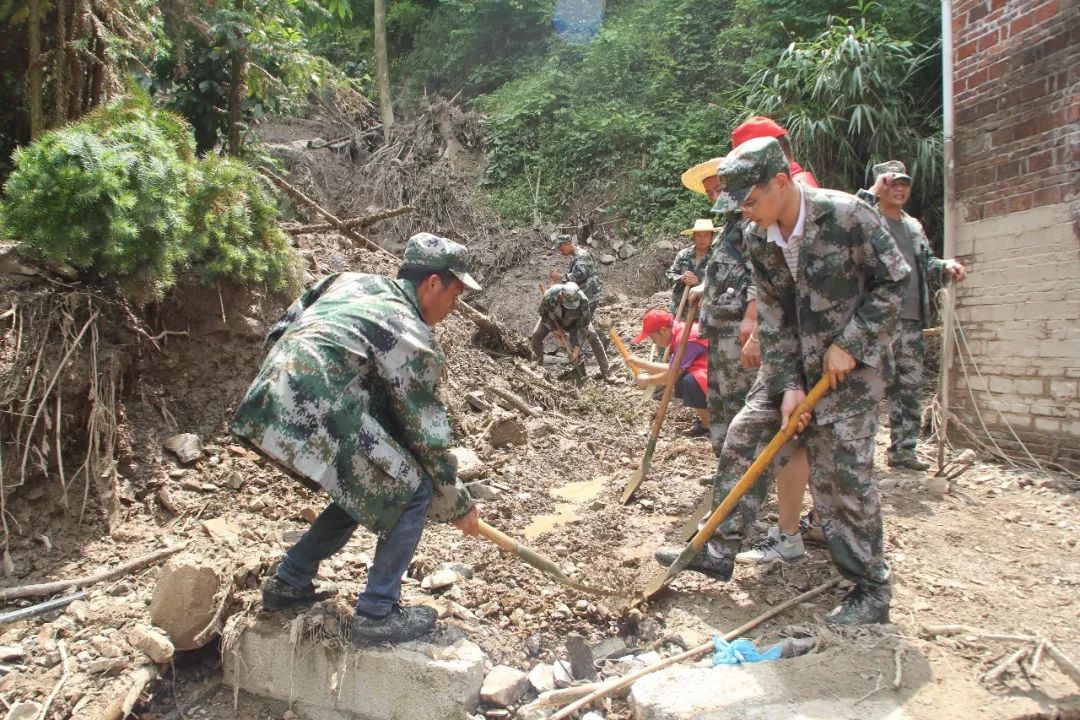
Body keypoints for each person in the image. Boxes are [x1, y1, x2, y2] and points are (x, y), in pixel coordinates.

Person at [656, 137, 911, 625]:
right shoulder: (758, 237)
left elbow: (894, 281)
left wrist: (852, 343)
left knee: (842, 475)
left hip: (853, 372)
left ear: (781, 182)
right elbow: (774, 317)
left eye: (751, 201)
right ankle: (719, 549)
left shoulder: (846, 216)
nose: (747, 214)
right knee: (744, 435)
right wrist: (789, 382)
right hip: (794, 362)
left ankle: (870, 587)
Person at [231, 232, 482, 645]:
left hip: (269, 394)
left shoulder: (347, 281)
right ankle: (377, 612)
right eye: (455, 293)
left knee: (366, 481)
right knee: (414, 487)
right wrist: (458, 503)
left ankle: (289, 581)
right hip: (321, 402)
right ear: (432, 283)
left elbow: (282, 329)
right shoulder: (411, 334)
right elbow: (426, 437)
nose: (456, 306)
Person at [859, 160, 968, 470]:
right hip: (876, 319)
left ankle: (903, 451)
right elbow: (845, 220)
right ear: (880, 185)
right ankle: (858, 455)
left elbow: (927, 263)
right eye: (892, 182)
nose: (899, 188)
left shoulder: (914, 226)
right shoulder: (866, 218)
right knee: (868, 388)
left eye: (904, 182)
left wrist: (944, 266)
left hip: (911, 320)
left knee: (908, 388)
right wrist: (870, 192)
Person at [626, 309, 711, 435]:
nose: (653, 342)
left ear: (663, 330)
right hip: (710, 370)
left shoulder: (685, 339)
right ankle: (708, 421)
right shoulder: (679, 333)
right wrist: (640, 363)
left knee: (690, 381)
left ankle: (710, 427)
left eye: (652, 337)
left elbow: (672, 376)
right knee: (684, 378)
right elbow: (673, 368)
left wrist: (648, 380)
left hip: (722, 375)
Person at [532, 281, 610, 379]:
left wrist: (577, 350)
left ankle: (606, 372)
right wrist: (554, 329)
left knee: (592, 337)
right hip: (553, 319)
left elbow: (584, 325)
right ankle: (538, 370)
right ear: (561, 296)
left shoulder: (583, 301)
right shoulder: (550, 295)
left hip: (574, 321)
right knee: (536, 335)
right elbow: (542, 312)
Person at [665, 219, 715, 315]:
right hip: (678, 308)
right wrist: (682, 278)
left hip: (702, 311)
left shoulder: (716, 258)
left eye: (706, 236)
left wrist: (699, 282)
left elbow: (719, 283)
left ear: (711, 237)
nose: (702, 239)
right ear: (694, 236)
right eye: (699, 235)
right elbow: (669, 275)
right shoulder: (683, 254)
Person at [550, 233, 603, 311]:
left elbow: (581, 275)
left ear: (567, 244)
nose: (561, 252)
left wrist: (562, 277)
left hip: (589, 296)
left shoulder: (582, 255)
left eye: (561, 248)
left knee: (582, 322)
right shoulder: (576, 255)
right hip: (583, 295)